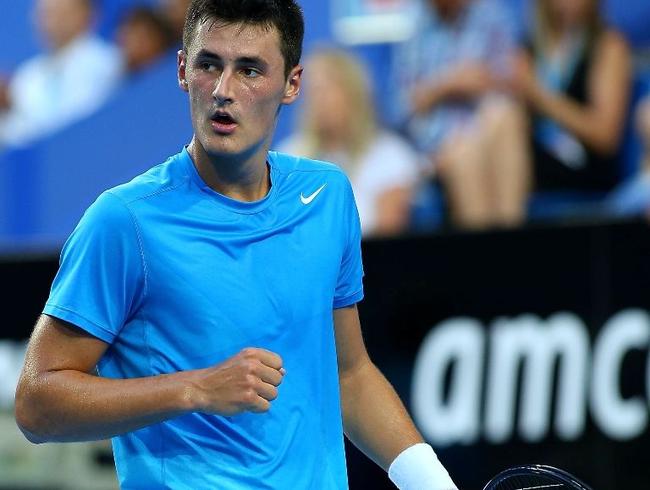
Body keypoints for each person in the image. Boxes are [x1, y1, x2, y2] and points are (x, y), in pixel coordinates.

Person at [14, 1, 457, 489]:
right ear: (183, 70)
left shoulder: (327, 196)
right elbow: (37, 402)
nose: (223, 91)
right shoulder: (124, 221)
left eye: (250, 70)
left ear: (292, 83)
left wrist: (434, 484)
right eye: (209, 65)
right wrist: (195, 389)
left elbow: (348, 373)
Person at [394, 0, 529, 230]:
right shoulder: (415, 24)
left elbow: (517, 86)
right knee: (464, 154)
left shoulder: (492, 16)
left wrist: (483, 81)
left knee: (505, 115)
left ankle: (509, 242)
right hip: (438, 148)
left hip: (489, 132)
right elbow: (401, 109)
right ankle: (495, 259)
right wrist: (446, 84)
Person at [279, 47, 421, 238]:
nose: (319, 100)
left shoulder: (390, 155)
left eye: (327, 89)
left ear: (353, 93)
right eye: (313, 91)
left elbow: (389, 233)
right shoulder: (288, 156)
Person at [512, 0, 632, 196]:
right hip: (531, 155)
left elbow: (606, 136)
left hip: (582, 166)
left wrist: (539, 97)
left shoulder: (607, 45)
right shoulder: (529, 47)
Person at [0, 0, 121, 148]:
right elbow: (19, 134)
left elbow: (81, 122)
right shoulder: (27, 75)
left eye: (58, 11)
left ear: (86, 14)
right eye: (44, 13)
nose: (48, 21)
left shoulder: (106, 62)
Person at [116, 6, 176, 75]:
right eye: (133, 34)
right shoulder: (114, 74)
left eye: (143, 37)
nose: (138, 43)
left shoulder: (174, 71)